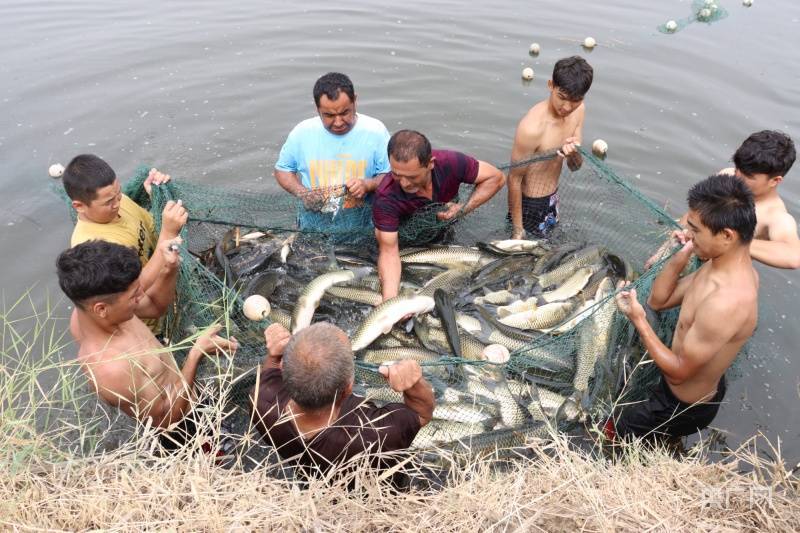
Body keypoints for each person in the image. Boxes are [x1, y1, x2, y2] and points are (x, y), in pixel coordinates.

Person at [608, 174, 758, 443]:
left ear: (726, 235)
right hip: (681, 384)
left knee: (612, 432)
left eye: (696, 230)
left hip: (680, 407)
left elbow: (678, 373)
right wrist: (685, 252)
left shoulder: (726, 302)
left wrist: (639, 320)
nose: (689, 233)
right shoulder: (717, 264)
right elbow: (659, 300)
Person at [56, 240, 238, 450]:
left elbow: (154, 306)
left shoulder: (91, 314)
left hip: (188, 394)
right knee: (225, 460)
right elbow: (166, 421)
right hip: (186, 431)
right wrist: (195, 355)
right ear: (101, 308)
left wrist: (169, 271)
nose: (141, 296)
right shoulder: (112, 369)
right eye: (134, 296)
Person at [252, 322, 434, 477]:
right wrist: (413, 383)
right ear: (348, 388)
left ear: (284, 368)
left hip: (314, 478)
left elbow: (269, 374)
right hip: (373, 492)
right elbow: (421, 414)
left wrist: (274, 355)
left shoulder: (261, 402)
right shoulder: (376, 434)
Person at [372, 130, 505, 300]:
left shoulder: (450, 163)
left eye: (412, 176)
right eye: (397, 174)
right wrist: (389, 301)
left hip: (444, 222)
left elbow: (496, 177)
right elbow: (389, 252)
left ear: (430, 164)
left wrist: (463, 208)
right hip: (406, 238)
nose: (404, 183)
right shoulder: (386, 197)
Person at [63, 154, 188, 333]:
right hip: (153, 325)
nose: (117, 204)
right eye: (108, 202)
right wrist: (168, 234)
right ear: (79, 206)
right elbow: (134, 289)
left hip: (170, 285)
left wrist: (158, 198)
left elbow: (153, 229)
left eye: (118, 194)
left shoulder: (120, 202)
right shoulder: (92, 249)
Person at [647, 130, 798, 270]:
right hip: (685, 249)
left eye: (747, 176)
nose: (737, 177)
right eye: (737, 168)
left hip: (711, 271)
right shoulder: (728, 175)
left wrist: (734, 243)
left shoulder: (776, 216)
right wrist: (663, 253)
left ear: (775, 180)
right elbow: (694, 213)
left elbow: (793, 257)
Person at [274, 72, 391, 232]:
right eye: (329, 115)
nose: (338, 122)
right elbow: (283, 170)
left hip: (362, 226)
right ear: (318, 109)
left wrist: (367, 184)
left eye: (344, 113)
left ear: (355, 101)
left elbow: (391, 176)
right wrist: (303, 193)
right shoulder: (302, 132)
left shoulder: (375, 131)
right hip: (312, 225)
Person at [507, 56, 594, 238]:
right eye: (561, 97)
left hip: (553, 198)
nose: (567, 107)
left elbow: (575, 166)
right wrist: (517, 230)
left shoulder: (579, 111)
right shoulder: (532, 128)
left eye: (575, 100)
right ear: (550, 85)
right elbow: (514, 179)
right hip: (530, 205)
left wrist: (573, 154)